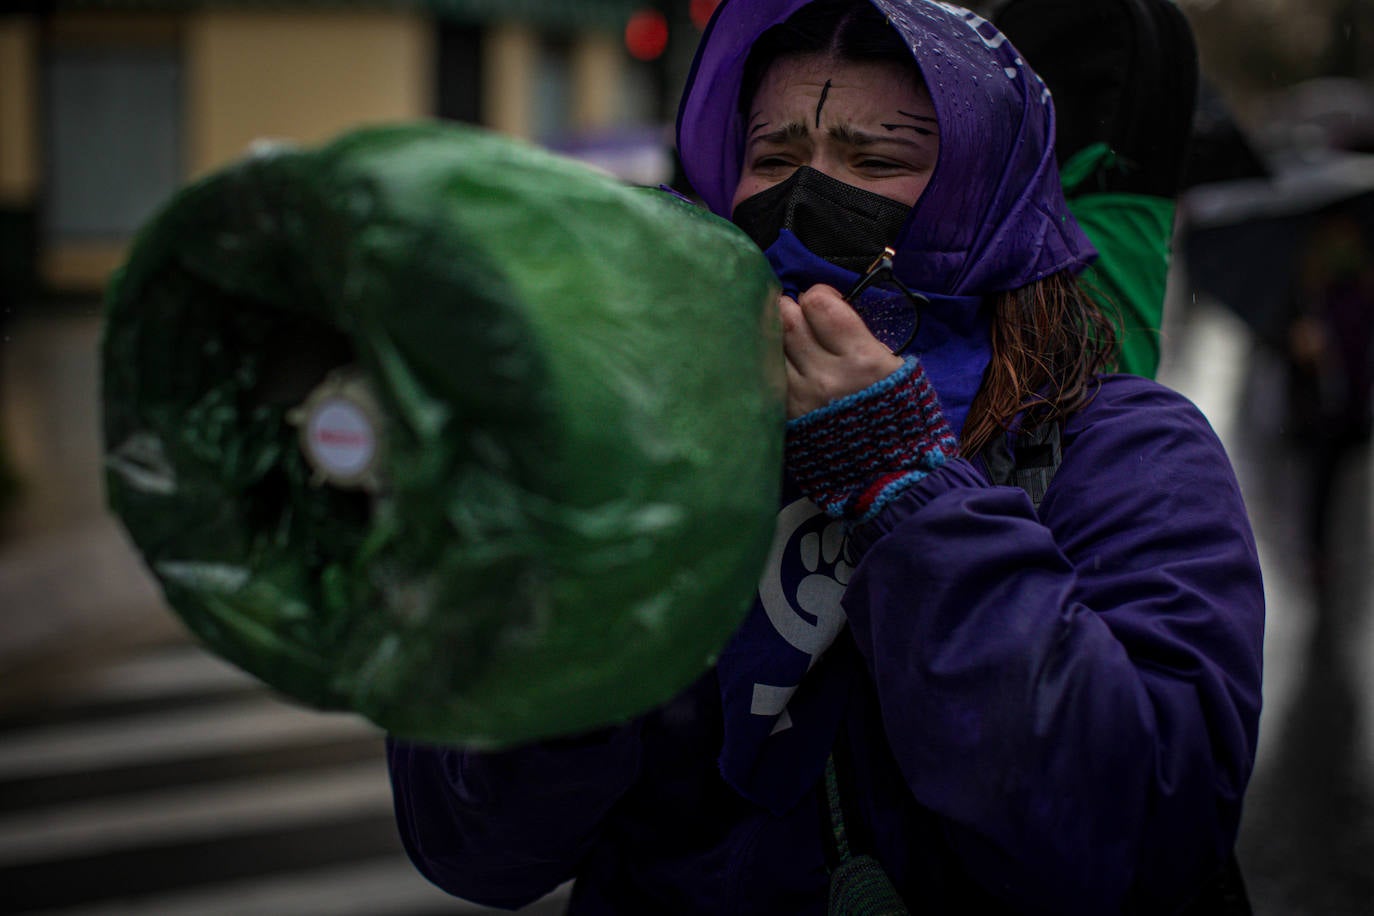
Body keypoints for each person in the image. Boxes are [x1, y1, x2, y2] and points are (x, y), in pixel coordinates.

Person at [386, 2, 1264, 913]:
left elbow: (1150, 831)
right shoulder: (651, 443)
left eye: (876, 160)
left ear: (989, 203)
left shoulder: (1124, 451)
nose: (805, 197)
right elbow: (473, 847)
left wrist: (907, 485)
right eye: (771, 158)